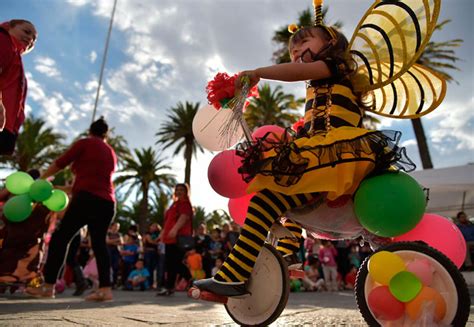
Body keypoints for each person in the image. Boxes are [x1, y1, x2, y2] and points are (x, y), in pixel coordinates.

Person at [194, 0, 414, 297]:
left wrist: (258, 72)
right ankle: (285, 256)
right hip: (323, 154)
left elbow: (299, 72)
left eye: (303, 43)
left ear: (332, 44)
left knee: (274, 192)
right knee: (274, 196)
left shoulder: (337, 66)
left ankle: (239, 274)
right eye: (292, 50)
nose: (296, 52)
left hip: (342, 155)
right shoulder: (315, 83)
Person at [25, 117, 117, 301]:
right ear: (105, 134)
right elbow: (92, 182)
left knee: (60, 239)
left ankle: (49, 287)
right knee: (99, 244)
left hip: (86, 199)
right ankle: (105, 290)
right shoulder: (111, 152)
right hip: (107, 202)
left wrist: (41, 180)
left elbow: (61, 163)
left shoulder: (85, 143)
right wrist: (62, 189)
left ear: (90, 131)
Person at [0, 20, 37, 155]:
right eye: (26, 32)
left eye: (34, 39)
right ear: (9, 27)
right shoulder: (3, 40)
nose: (30, 39)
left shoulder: (15, 57)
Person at [156, 183, 193, 296]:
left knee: (175, 263)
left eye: (181, 189)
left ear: (186, 192)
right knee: (169, 263)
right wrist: (162, 234)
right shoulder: (174, 204)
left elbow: (184, 217)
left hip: (178, 237)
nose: (179, 191)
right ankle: (169, 288)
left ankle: (189, 279)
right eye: (177, 189)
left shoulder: (185, 204)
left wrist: (175, 229)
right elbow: (167, 221)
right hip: (169, 238)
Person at [143, 223, 160, 287]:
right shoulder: (147, 233)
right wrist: (157, 241)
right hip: (148, 252)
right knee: (148, 267)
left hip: (155, 253)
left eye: (155, 226)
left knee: (154, 268)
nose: (154, 227)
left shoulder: (157, 234)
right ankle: (148, 283)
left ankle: (153, 283)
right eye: (153, 226)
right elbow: (150, 241)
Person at [106, 222, 123, 287]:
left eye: (118, 226)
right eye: (115, 226)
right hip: (109, 250)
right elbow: (107, 241)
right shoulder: (108, 233)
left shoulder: (119, 234)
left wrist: (112, 241)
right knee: (108, 266)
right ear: (112, 226)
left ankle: (114, 282)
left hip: (116, 251)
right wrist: (117, 240)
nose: (117, 228)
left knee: (115, 267)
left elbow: (121, 242)